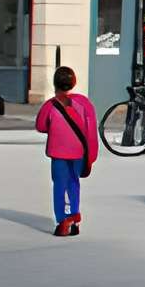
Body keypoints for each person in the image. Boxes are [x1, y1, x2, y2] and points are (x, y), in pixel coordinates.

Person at [35, 65, 98, 237]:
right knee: (73, 182)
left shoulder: (50, 105)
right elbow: (91, 131)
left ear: (54, 84)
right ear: (74, 83)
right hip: (79, 152)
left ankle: (62, 220)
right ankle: (74, 217)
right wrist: (91, 156)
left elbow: (40, 126)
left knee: (59, 185)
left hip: (58, 154)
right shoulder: (84, 103)